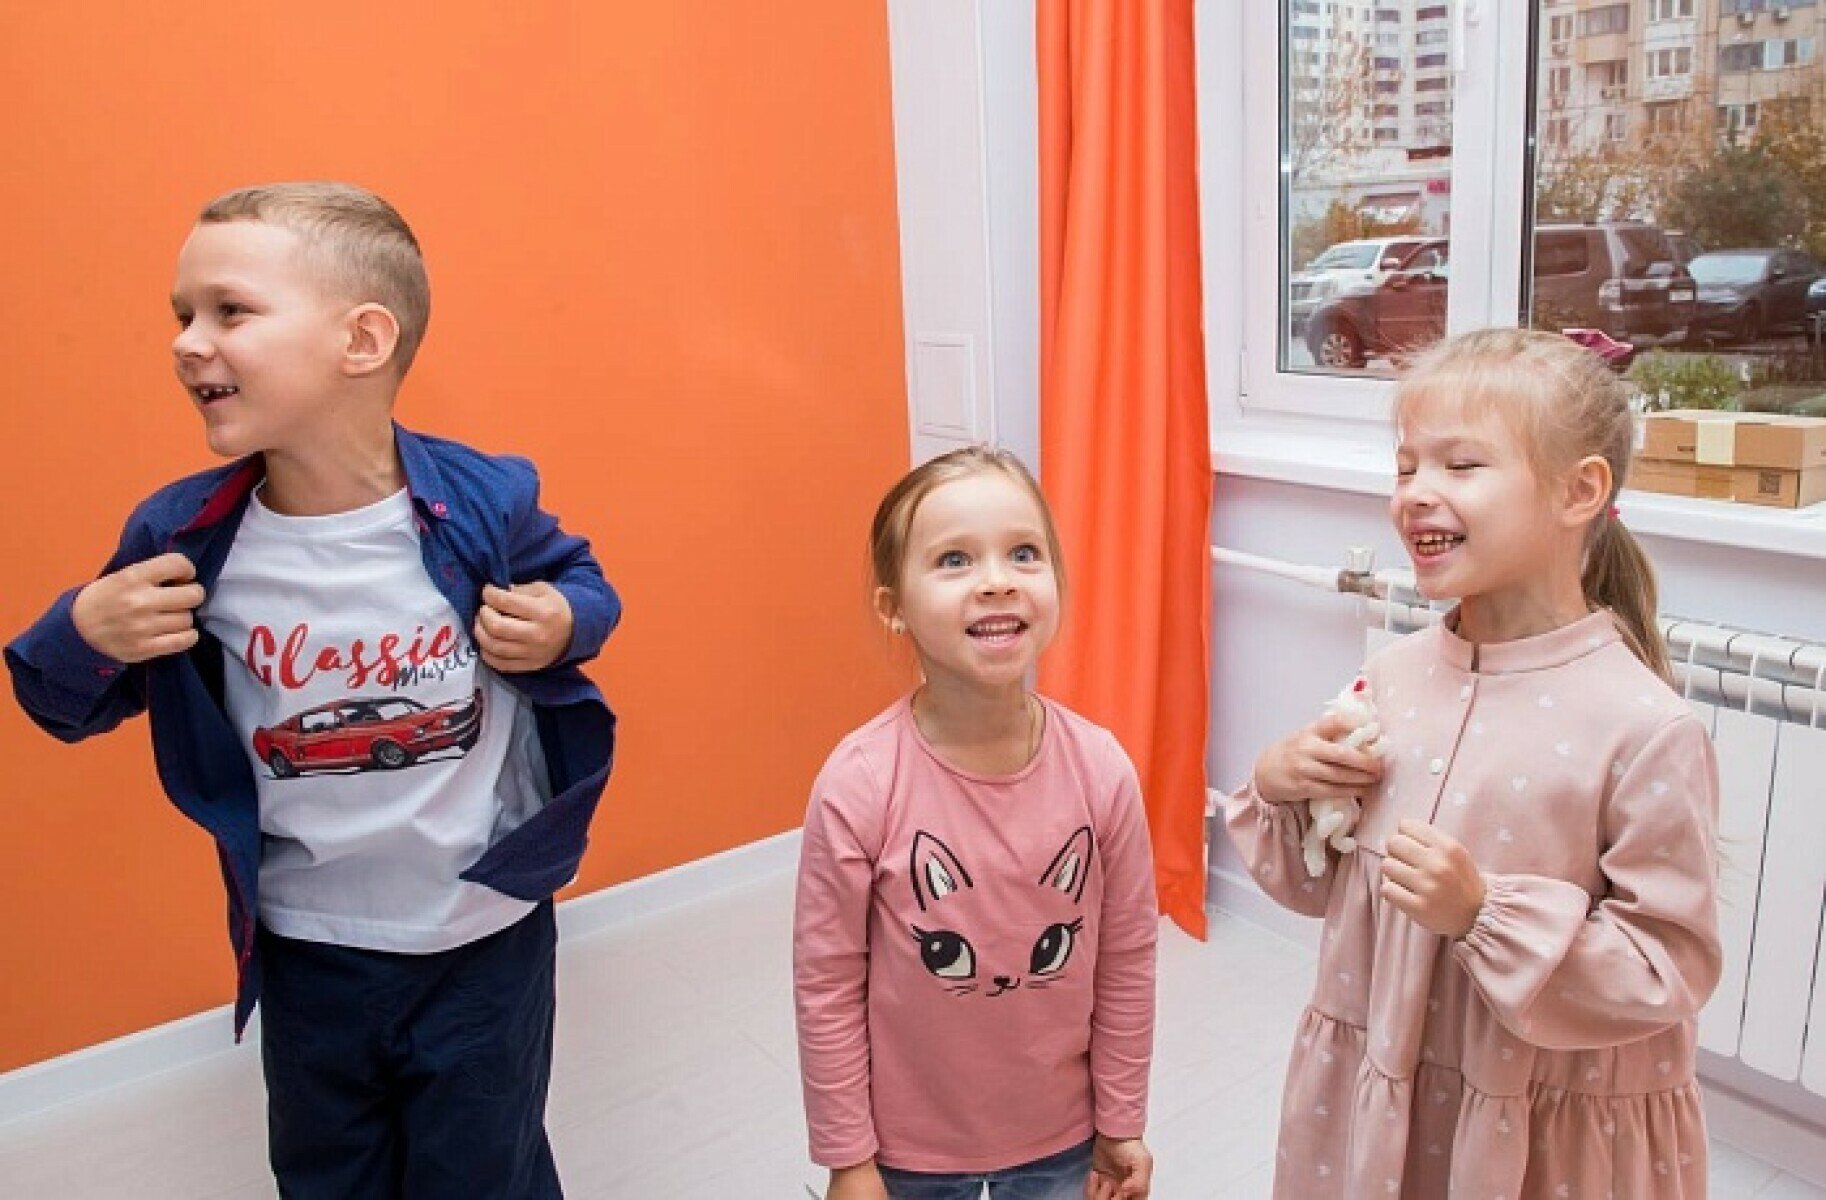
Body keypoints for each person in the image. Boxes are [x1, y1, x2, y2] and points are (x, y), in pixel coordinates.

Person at [6, 182, 619, 1199]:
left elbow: (585, 584)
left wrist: (563, 620)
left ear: (362, 341)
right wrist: (84, 631)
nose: (187, 343)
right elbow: (58, 701)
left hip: (484, 933)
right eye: (183, 314)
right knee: (328, 1171)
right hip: (307, 948)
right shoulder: (185, 537)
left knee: (486, 1169)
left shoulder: (483, 499)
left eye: (229, 310)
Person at [1228, 327, 1721, 1198]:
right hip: (1380, 1098)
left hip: (1534, 1136)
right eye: (1406, 467)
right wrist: (1281, 784)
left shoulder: (1645, 727)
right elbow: (1319, 889)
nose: (1416, 492)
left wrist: (1483, 914)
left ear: (1580, 491)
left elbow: (1668, 965)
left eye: (1460, 465)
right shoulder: (1390, 677)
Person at [793, 447, 1158, 1200]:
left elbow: (1126, 959)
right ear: (893, 607)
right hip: (907, 1151)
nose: (997, 580)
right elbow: (826, 983)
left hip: (1064, 1137)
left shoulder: (1103, 771)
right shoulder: (858, 786)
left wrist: (1121, 1118)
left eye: (1024, 553)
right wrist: (848, 1158)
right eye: (954, 560)